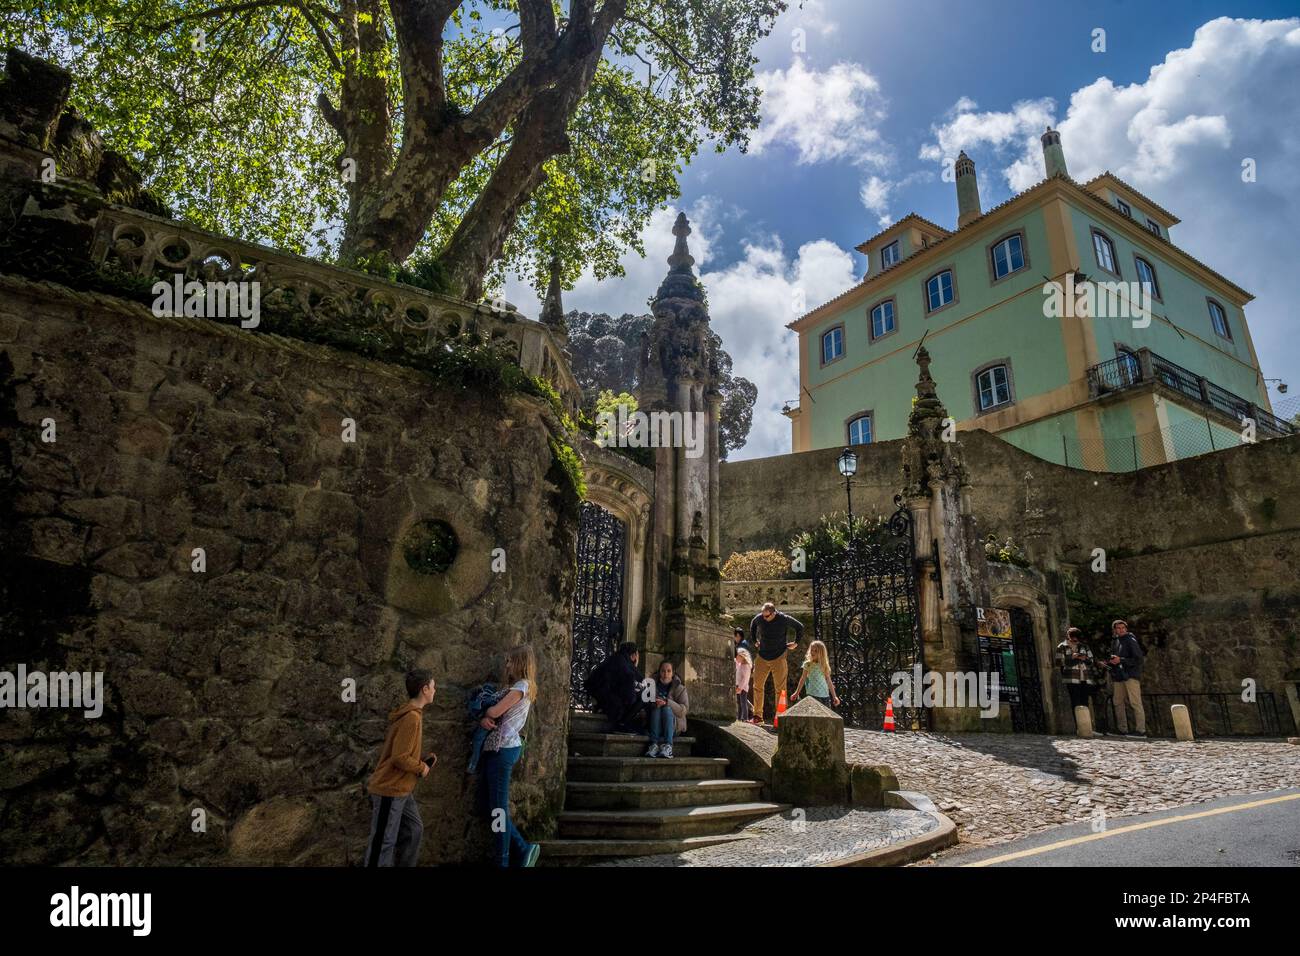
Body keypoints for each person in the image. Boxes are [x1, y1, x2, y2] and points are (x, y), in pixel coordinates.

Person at [364, 669, 437, 867]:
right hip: (390, 788)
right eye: (433, 686)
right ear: (424, 689)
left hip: (404, 789)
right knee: (383, 843)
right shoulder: (411, 718)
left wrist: (421, 760)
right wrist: (422, 767)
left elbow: (403, 753)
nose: (435, 690)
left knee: (414, 830)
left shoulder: (413, 715)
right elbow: (399, 758)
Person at [478, 646, 541, 867]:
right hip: (502, 748)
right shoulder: (521, 686)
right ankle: (521, 849)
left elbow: (495, 712)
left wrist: (484, 712)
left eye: (510, 661)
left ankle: (505, 858)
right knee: (490, 805)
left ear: (520, 663)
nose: (507, 665)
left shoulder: (520, 687)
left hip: (503, 750)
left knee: (497, 808)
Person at [749, 601, 803, 724]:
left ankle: (780, 718)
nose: (764, 617)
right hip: (762, 656)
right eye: (763, 615)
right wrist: (754, 640)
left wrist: (796, 643)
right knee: (757, 686)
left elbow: (799, 627)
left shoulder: (783, 619)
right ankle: (758, 716)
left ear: (774, 613)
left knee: (780, 689)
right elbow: (753, 624)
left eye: (767, 616)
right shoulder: (760, 618)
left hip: (778, 656)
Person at [588, 642, 645, 732]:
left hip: (599, 696)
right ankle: (622, 723)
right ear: (634, 655)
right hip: (611, 701)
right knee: (644, 696)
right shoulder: (625, 663)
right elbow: (637, 683)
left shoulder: (615, 658)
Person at [1107, 620, 1147, 737]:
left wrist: (1121, 660)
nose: (1121, 630)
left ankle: (1141, 730)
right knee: (1117, 702)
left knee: (1135, 702)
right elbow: (1116, 658)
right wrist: (1109, 662)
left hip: (1130, 675)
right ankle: (1122, 729)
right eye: (1118, 628)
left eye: (1123, 628)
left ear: (1126, 628)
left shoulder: (1130, 640)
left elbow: (1139, 659)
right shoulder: (1115, 641)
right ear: (1114, 630)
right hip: (1119, 676)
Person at [645, 659, 689, 758]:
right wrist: (654, 704)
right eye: (663, 671)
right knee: (656, 709)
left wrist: (667, 702)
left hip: (673, 726)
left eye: (669, 671)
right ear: (659, 672)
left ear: (673, 673)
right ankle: (653, 746)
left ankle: (668, 746)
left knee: (667, 709)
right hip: (655, 725)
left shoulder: (680, 689)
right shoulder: (651, 686)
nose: (666, 673)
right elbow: (644, 706)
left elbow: (683, 711)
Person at [1057, 627, 1094, 718]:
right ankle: (1079, 726)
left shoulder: (1084, 646)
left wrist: (1084, 658)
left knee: (1085, 701)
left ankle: (1086, 725)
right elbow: (1059, 662)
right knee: (1075, 702)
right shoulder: (1062, 646)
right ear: (1068, 636)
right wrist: (1072, 658)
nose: (1075, 639)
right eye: (1073, 636)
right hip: (1071, 678)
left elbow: (1091, 660)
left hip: (1085, 677)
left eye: (1076, 637)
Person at [791, 639, 840, 709]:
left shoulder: (824, 665)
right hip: (812, 695)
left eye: (816, 651)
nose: (812, 652)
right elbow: (803, 678)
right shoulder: (807, 664)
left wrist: (834, 696)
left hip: (824, 696)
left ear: (821, 653)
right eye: (811, 650)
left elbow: (829, 681)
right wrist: (796, 692)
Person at [735, 646, 754, 722]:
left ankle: (745, 718)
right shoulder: (740, 664)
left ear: (742, 657)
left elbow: (745, 679)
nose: (736, 659)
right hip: (739, 686)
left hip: (743, 687)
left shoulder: (746, 666)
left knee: (743, 703)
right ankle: (739, 718)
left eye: (737, 657)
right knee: (740, 703)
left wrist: (740, 688)